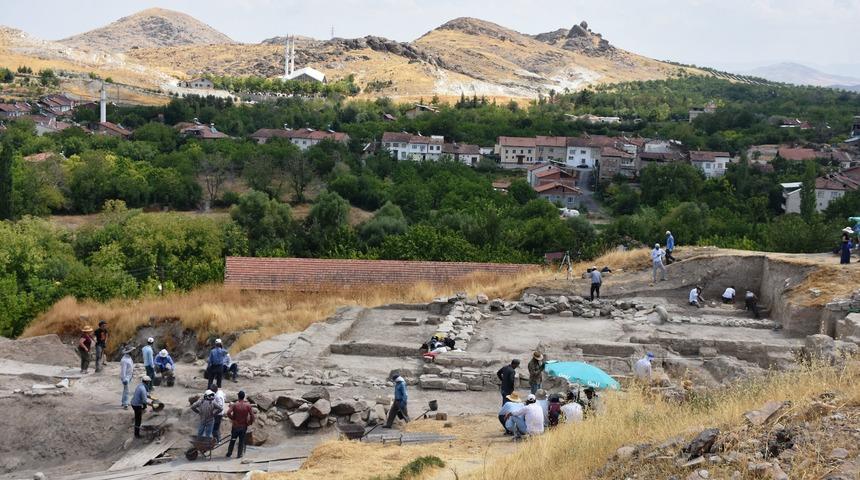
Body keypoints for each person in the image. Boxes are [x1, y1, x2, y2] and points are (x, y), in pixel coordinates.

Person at [226, 390, 255, 458]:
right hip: (243, 426)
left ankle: (229, 453)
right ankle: (239, 455)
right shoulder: (248, 405)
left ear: (238, 397)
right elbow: (252, 416)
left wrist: (233, 418)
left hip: (235, 426)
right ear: (244, 397)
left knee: (233, 439)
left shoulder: (235, 405)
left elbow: (228, 413)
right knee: (241, 441)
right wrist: (250, 422)